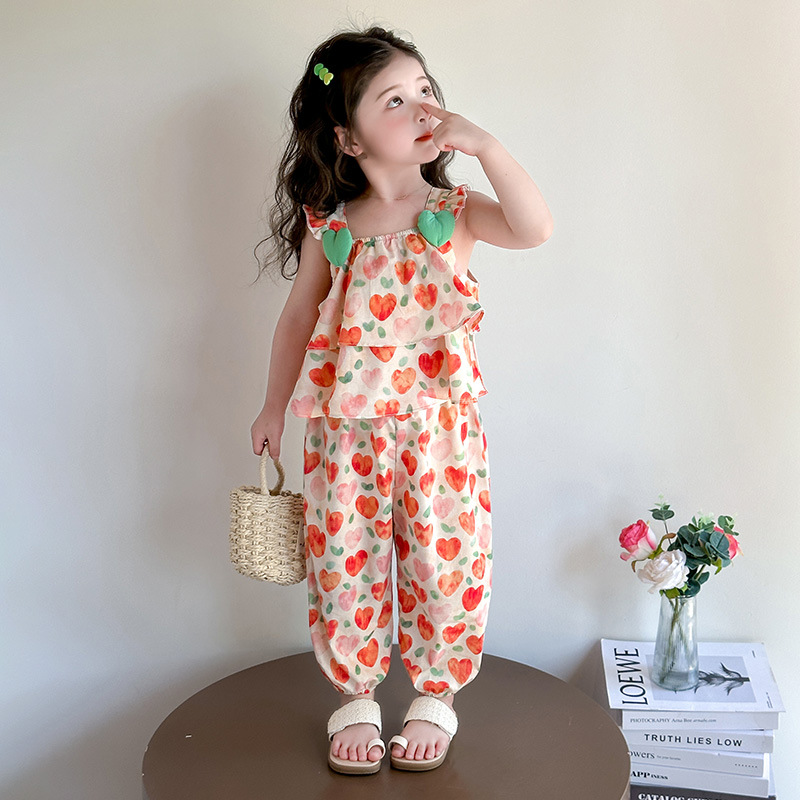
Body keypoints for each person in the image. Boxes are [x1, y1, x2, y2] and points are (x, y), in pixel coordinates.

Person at [250, 25, 553, 775]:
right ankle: (354, 693)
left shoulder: (454, 210)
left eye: (425, 90)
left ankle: (435, 695)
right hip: (343, 431)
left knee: (445, 560)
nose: (421, 108)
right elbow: (297, 318)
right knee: (343, 556)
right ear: (348, 139)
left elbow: (535, 228)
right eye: (394, 99)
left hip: (439, 429)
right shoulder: (332, 227)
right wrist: (272, 407)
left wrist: (485, 146)